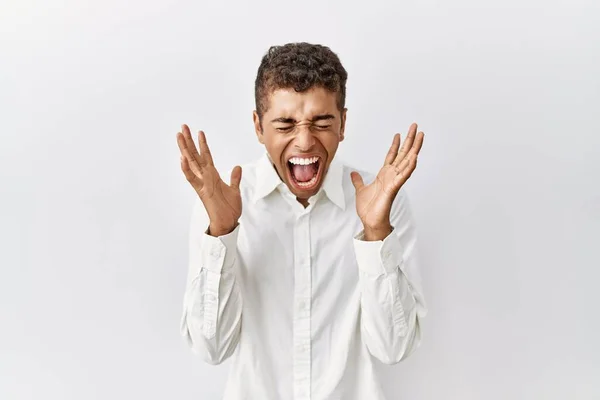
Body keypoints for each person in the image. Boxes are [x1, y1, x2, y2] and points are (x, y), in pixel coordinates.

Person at [176, 42, 427, 400]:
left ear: (342, 123)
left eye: (322, 122)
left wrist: (376, 234)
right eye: (285, 124)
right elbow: (211, 348)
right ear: (258, 126)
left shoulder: (383, 200)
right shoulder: (220, 200)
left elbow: (394, 349)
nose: (305, 141)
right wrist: (222, 233)